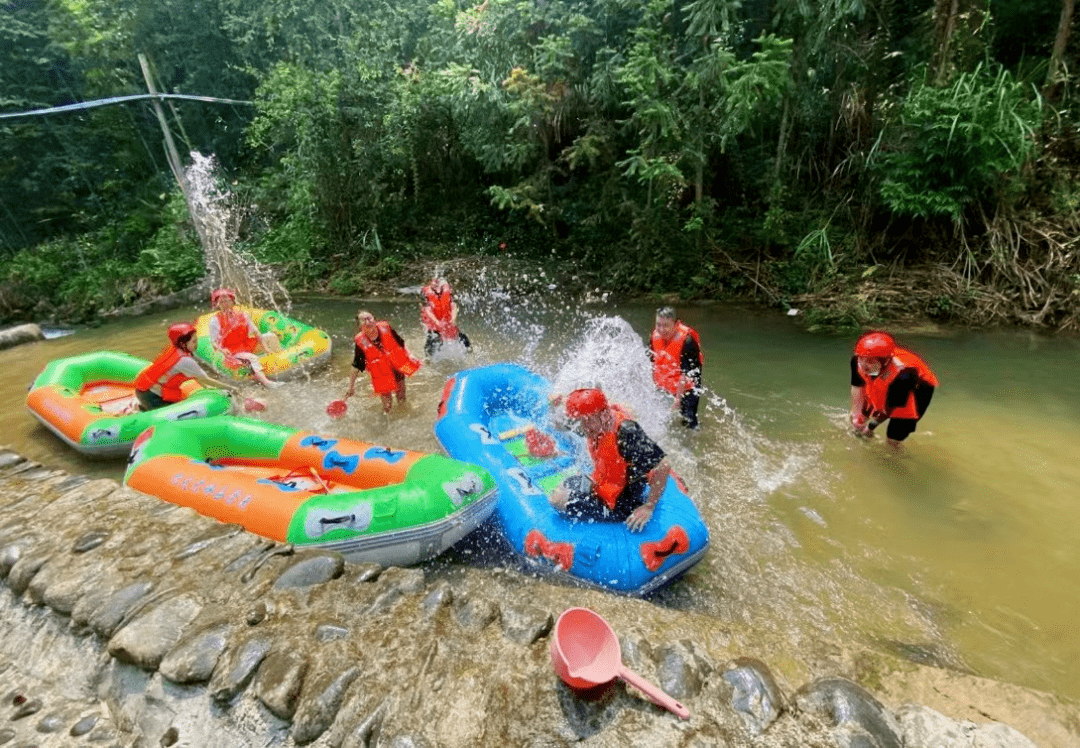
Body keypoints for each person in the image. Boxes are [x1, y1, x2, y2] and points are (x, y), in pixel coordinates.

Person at [549, 388, 671, 533]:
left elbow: (664, 465)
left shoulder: (626, 432)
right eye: (581, 421)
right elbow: (561, 424)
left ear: (604, 413)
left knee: (556, 501)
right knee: (561, 487)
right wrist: (555, 404)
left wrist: (649, 506)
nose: (584, 427)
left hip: (620, 503)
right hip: (601, 483)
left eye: (587, 421)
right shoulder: (590, 421)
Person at [849, 331, 938, 446]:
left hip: (919, 387)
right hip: (886, 378)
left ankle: (894, 454)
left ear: (885, 361)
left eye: (870, 361)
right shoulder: (857, 361)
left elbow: (890, 408)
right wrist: (856, 413)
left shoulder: (904, 375)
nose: (864, 365)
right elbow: (857, 385)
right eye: (862, 359)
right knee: (862, 414)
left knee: (894, 436)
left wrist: (871, 428)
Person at [134, 323, 240, 411]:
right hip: (151, 396)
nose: (197, 344)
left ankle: (142, 408)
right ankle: (144, 409)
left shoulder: (175, 349)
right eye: (194, 341)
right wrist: (232, 388)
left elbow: (199, 377)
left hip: (143, 389)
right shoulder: (184, 361)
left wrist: (208, 389)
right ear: (183, 343)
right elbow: (206, 380)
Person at [344, 311, 422, 413]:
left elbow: (401, 343)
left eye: (369, 318)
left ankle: (403, 416)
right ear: (359, 325)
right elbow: (356, 365)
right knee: (387, 406)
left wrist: (411, 356)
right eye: (363, 320)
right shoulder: (360, 341)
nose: (367, 322)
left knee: (401, 398)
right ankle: (388, 423)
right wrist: (351, 387)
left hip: (395, 367)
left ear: (374, 319)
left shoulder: (386, 328)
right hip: (380, 373)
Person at [206, 288, 282, 388]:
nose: (226, 303)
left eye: (228, 300)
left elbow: (256, 332)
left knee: (271, 337)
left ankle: (280, 361)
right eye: (222, 301)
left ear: (232, 301)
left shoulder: (242, 315)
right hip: (233, 351)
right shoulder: (215, 321)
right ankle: (268, 383)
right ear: (217, 304)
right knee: (252, 358)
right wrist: (222, 350)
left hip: (247, 344)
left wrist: (265, 348)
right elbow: (214, 343)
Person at [650, 307, 704, 429]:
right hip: (667, 383)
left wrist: (678, 400)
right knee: (662, 421)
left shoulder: (687, 340)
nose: (661, 329)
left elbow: (686, 374)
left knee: (689, 420)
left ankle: (695, 437)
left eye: (666, 326)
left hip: (688, 385)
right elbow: (653, 364)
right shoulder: (654, 336)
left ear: (675, 324)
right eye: (658, 325)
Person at [420, 277, 471, 358]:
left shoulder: (448, 290)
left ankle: (469, 353)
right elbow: (427, 309)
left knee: (461, 338)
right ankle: (428, 360)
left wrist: (453, 318)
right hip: (433, 323)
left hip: (447, 320)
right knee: (432, 340)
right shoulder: (425, 293)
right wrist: (436, 322)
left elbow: (453, 305)